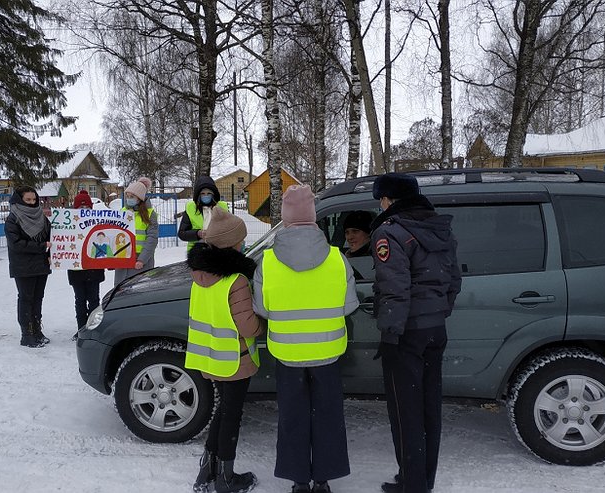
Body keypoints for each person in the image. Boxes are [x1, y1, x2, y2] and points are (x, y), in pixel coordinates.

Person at [253, 185, 359, 493]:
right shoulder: (337, 259)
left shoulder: (268, 262)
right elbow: (349, 305)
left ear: (285, 219)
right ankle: (323, 479)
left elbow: (263, 309)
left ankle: (299, 480)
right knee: (327, 415)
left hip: (288, 354)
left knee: (292, 416)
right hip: (328, 351)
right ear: (314, 218)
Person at [369, 173, 462, 493]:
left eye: (380, 198)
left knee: (405, 411)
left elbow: (395, 289)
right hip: (436, 330)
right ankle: (423, 480)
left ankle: (411, 484)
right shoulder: (440, 228)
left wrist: (391, 334)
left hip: (407, 333)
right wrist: (437, 312)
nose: (379, 204)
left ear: (388, 200)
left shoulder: (390, 233)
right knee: (428, 410)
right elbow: (453, 281)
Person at [186, 206, 265, 493]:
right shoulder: (236, 280)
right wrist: (263, 327)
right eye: (241, 240)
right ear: (233, 244)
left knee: (223, 410)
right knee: (232, 415)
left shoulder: (200, 277)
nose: (244, 244)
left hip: (210, 357)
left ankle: (207, 469)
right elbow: (247, 326)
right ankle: (226, 477)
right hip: (235, 358)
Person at [4, 185, 52, 348]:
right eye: (28, 200)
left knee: (38, 299)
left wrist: (51, 254)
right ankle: (27, 334)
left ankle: (37, 330)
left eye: (34, 199)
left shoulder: (42, 217)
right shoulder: (13, 219)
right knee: (26, 299)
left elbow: (50, 237)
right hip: (23, 267)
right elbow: (16, 244)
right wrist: (41, 246)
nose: (32, 203)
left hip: (41, 265)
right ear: (19, 200)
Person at [68, 190, 105, 340]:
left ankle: (94, 329)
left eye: (86, 207)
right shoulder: (68, 224)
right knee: (80, 300)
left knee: (94, 300)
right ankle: (82, 329)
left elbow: (105, 244)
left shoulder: (98, 223)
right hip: (76, 270)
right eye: (80, 207)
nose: (84, 210)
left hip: (94, 270)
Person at [114, 177, 159, 286]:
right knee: (121, 293)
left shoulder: (149, 214)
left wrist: (142, 260)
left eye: (132, 196)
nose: (129, 199)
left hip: (140, 261)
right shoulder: (122, 212)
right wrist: (113, 257)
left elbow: (152, 239)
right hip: (123, 259)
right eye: (127, 196)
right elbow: (115, 235)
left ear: (139, 198)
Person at [178, 176, 230, 251]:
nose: (206, 196)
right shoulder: (191, 208)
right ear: (198, 195)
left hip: (219, 250)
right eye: (203, 193)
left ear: (214, 194)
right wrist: (198, 233)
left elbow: (231, 228)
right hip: (197, 252)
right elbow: (182, 234)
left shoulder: (223, 207)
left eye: (209, 193)